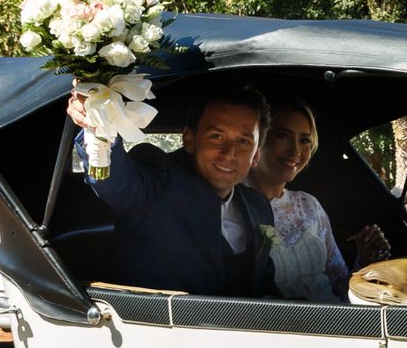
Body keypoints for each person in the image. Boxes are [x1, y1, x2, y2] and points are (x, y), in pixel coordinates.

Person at [71, 83, 276, 297]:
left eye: (244, 141)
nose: (229, 152)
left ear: (256, 156)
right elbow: (114, 182)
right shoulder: (157, 182)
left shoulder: (258, 206)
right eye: (216, 136)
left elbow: (263, 285)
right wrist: (97, 125)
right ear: (189, 139)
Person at [245, 96, 349, 302]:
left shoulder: (309, 205)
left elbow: (339, 281)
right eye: (283, 136)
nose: (295, 151)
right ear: (259, 140)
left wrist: (366, 259)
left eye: (304, 140)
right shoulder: (230, 205)